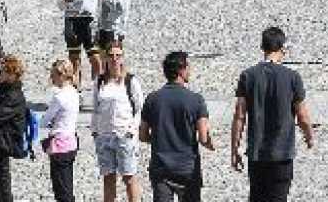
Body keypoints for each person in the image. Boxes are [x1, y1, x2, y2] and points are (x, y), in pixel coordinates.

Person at [231, 27, 317, 202]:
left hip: (257, 152)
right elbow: (302, 116)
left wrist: (235, 149)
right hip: (282, 152)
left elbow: (240, 116)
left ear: (262, 47)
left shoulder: (248, 76)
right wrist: (309, 137)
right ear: (282, 48)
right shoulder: (292, 77)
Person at [140, 50, 214, 202]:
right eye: (188, 67)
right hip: (187, 168)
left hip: (161, 167)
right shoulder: (196, 100)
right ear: (181, 71)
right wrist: (210, 143)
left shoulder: (152, 99)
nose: (190, 70)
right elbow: (203, 137)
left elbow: (142, 135)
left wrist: (160, 138)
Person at [92, 39, 144, 202]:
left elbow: (139, 108)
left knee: (129, 177)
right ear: (106, 58)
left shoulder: (130, 81)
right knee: (108, 178)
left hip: (124, 136)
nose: (114, 59)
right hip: (104, 136)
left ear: (122, 57)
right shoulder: (99, 81)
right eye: (111, 55)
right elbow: (95, 107)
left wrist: (132, 130)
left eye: (118, 55)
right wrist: (95, 131)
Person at [0, 55, 29, 202]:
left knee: (2, 183)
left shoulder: (12, 96)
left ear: (11, 75)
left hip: (4, 142)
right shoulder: (7, 92)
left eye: (2, 72)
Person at [41, 60, 83, 202]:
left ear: (61, 76)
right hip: (71, 141)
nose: (51, 78)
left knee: (61, 190)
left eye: (53, 75)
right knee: (67, 185)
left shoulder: (59, 97)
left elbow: (44, 120)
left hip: (59, 145)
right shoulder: (74, 92)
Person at [60, 0, 104, 79]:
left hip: (90, 21)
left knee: (95, 57)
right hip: (72, 20)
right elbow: (60, 4)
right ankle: (75, 86)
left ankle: (98, 85)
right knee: (74, 57)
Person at [94, 0, 135, 79]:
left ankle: (120, 86)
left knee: (115, 63)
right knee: (102, 62)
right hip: (102, 27)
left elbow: (121, 6)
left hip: (115, 28)